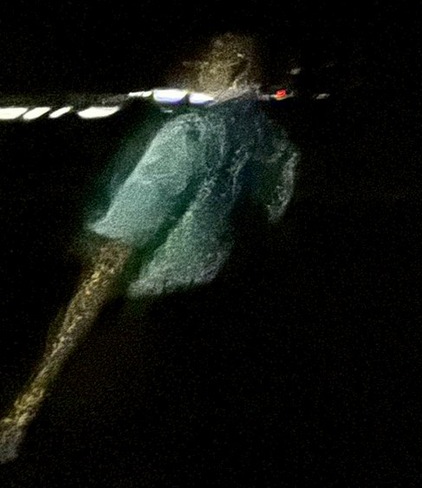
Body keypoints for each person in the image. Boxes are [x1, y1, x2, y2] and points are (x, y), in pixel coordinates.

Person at [0, 34, 298, 463]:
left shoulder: (187, 136)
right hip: (227, 321)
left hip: (150, 322)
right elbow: (269, 221)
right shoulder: (274, 142)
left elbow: (110, 260)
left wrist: (28, 400)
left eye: (210, 58)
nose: (197, 66)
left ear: (238, 69)